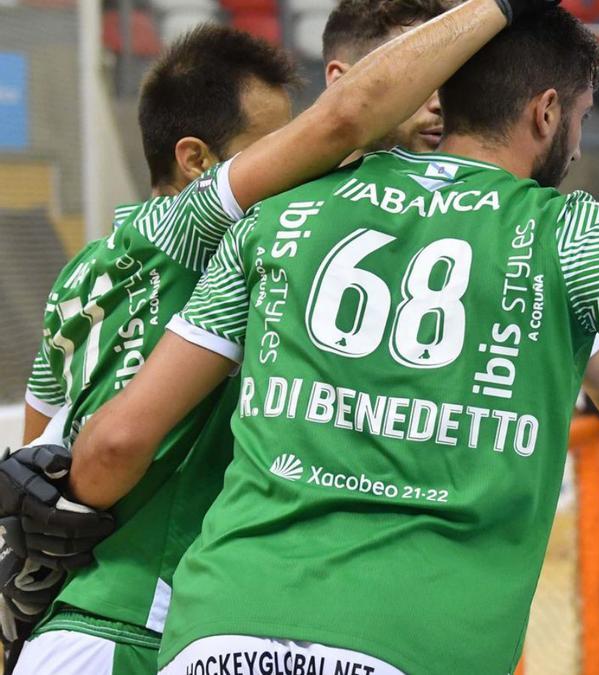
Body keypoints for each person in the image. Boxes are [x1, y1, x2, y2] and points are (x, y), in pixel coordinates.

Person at [61, 8, 599, 674]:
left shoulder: (281, 214)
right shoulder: (568, 234)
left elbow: (111, 448)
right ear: (547, 112)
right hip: (411, 645)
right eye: (577, 117)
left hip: (214, 636)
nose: (576, 141)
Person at [5, 1, 555, 671]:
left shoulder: (87, 268)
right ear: (196, 161)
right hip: (140, 625)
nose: (295, 160)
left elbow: (37, 455)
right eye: (271, 144)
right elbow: (338, 122)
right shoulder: (204, 229)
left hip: (58, 622)